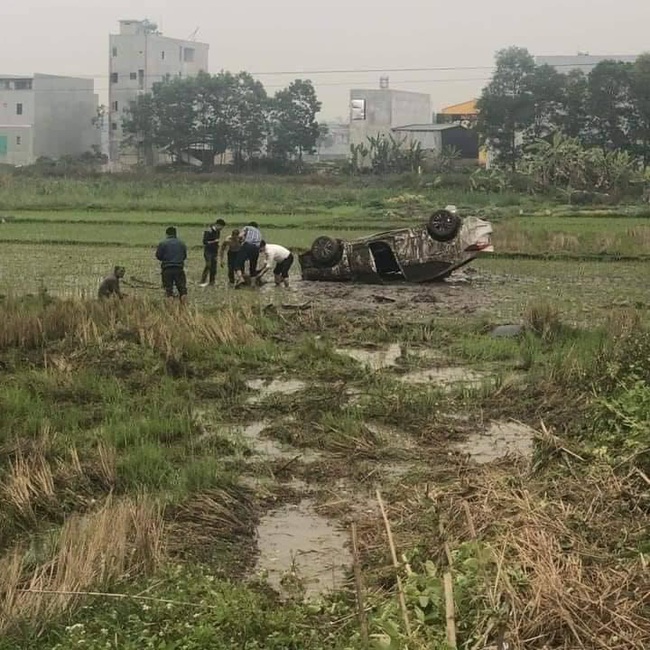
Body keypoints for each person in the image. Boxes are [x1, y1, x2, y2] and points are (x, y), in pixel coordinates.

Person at [155, 226, 188, 302]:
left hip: (167, 268)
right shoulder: (182, 243)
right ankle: (184, 307)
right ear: (176, 234)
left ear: (167, 234)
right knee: (182, 289)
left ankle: (171, 309)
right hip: (179, 268)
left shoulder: (163, 243)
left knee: (168, 289)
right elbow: (184, 256)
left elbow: (158, 256)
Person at [234, 221, 262, 287]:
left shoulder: (247, 227)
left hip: (247, 245)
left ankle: (241, 279)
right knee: (253, 267)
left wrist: (240, 241)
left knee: (237, 264)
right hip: (256, 249)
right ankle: (253, 284)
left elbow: (240, 236)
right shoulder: (259, 232)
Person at [199, 218, 225, 287]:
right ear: (217, 225)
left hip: (214, 251)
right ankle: (202, 280)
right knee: (208, 265)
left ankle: (212, 282)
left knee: (214, 267)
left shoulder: (218, 231)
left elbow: (217, 241)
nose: (221, 229)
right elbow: (205, 242)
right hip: (208, 251)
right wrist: (214, 241)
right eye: (221, 227)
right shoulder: (208, 231)